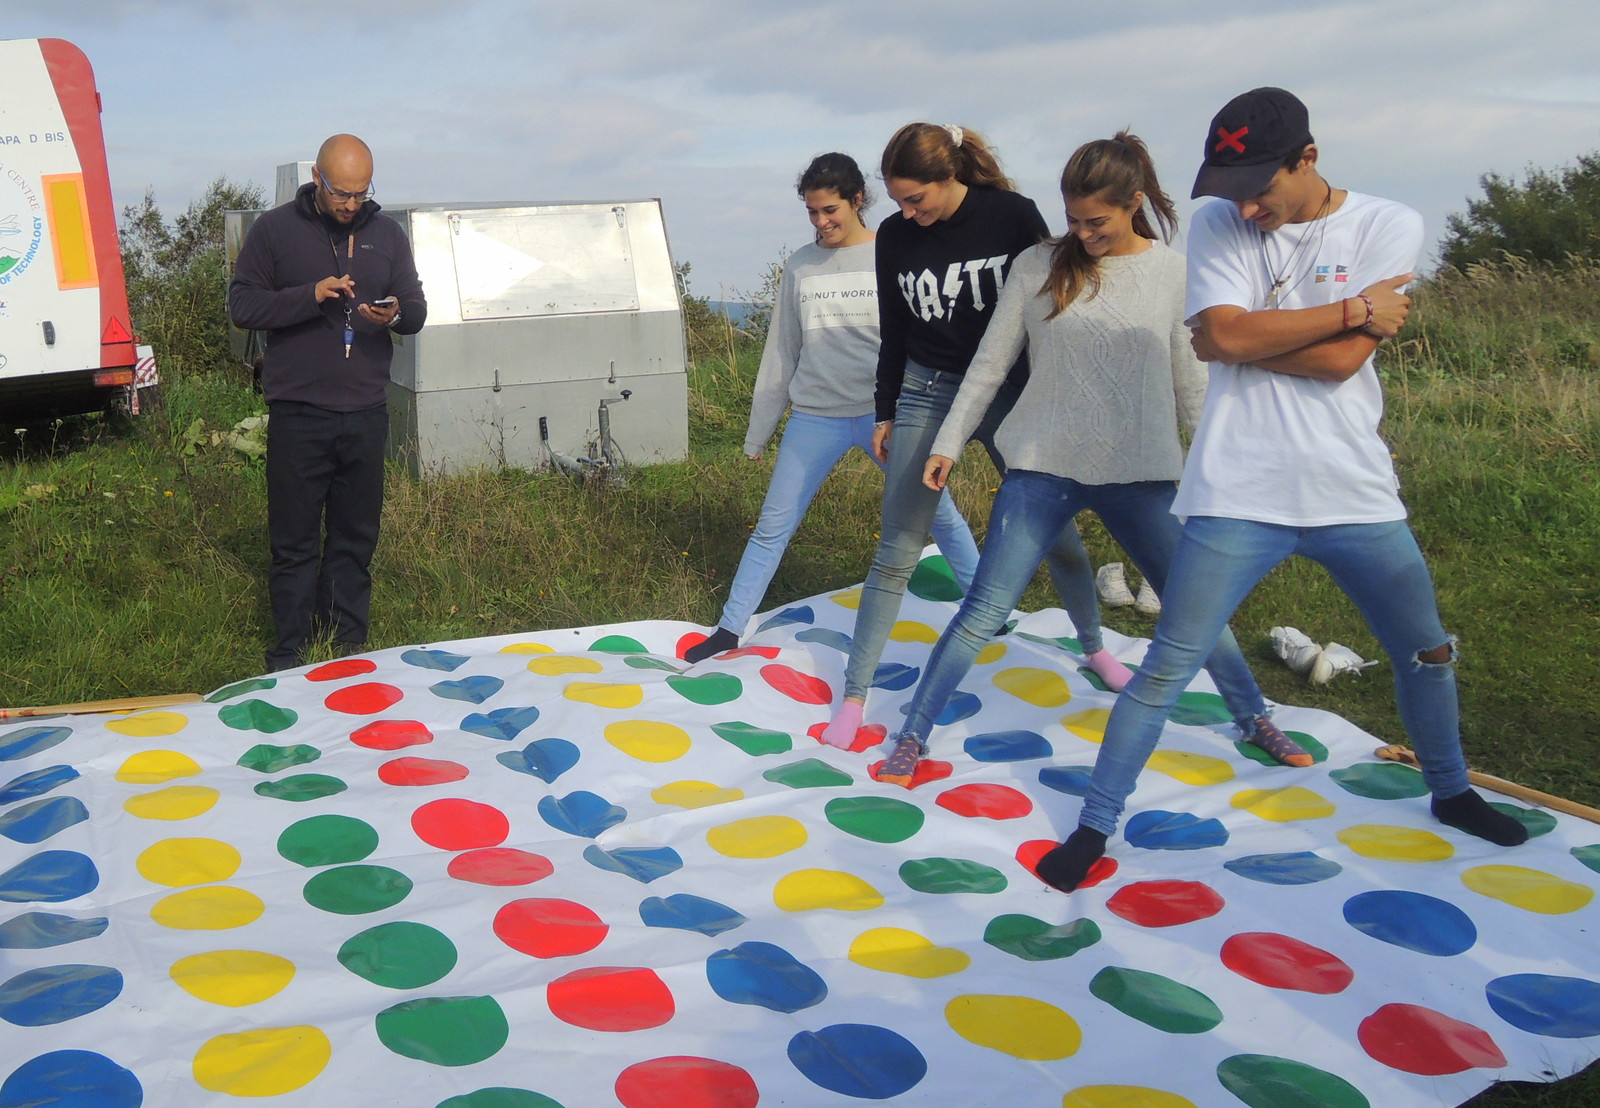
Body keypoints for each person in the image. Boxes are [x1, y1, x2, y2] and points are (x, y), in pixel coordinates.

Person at [1036, 88, 1527, 893]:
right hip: (1236, 490)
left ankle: (1451, 790)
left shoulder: (1386, 223)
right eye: (1231, 189)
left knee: (1427, 651)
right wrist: (1351, 309)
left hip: (1352, 490)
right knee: (1167, 668)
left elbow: (1336, 362)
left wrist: (1239, 340)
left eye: (1260, 187)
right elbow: (1226, 335)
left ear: (1308, 159)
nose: (1246, 207)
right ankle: (1094, 826)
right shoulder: (1220, 220)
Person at [872, 132, 1310, 786]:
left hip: (1141, 475)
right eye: (1073, 220)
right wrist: (947, 444)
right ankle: (912, 734)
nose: (1081, 234)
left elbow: (1192, 384)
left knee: (1192, 603)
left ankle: (1252, 716)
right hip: (1040, 470)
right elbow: (989, 366)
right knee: (983, 609)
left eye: (1095, 222)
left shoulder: (1173, 274)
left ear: (1134, 204)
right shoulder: (1037, 265)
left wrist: (1218, 471)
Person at [820, 122, 1122, 750]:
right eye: (898, 202)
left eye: (916, 199)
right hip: (927, 390)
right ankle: (854, 695)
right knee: (898, 546)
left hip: (1010, 391)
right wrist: (885, 410)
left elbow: (1052, 305)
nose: (908, 213)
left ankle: (1094, 648)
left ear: (948, 176)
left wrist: (1060, 395)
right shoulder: (896, 236)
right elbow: (895, 330)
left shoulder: (1010, 215)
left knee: (1059, 537)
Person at [684, 153, 980, 665]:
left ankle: (987, 608)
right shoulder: (801, 265)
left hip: (885, 416)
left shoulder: (892, 251)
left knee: (939, 512)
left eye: (830, 210)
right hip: (815, 417)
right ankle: (729, 629)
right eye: (812, 212)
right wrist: (759, 432)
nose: (821, 222)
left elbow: (920, 339)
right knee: (772, 526)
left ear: (857, 200)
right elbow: (782, 349)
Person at [229, 134, 426, 673]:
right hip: (299, 412)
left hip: (365, 411)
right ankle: (290, 654)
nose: (350, 204)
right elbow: (242, 305)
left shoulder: (387, 234)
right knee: (294, 542)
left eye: (361, 193)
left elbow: (416, 307)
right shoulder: (274, 230)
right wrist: (310, 295)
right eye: (341, 192)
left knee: (355, 538)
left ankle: (346, 646)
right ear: (317, 178)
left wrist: (395, 314)